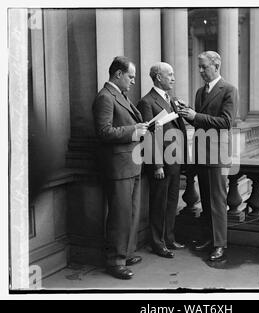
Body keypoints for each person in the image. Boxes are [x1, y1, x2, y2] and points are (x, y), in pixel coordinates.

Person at [92, 56, 148, 280]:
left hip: (129, 164)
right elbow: (103, 132)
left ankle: (125, 253)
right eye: (131, 76)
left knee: (130, 213)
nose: (133, 81)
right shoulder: (105, 97)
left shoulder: (119, 95)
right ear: (118, 74)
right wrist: (134, 130)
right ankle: (115, 261)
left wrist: (139, 128)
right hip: (118, 167)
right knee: (120, 215)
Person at [178, 51, 238, 261]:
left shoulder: (229, 90)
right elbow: (200, 122)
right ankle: (208, 238)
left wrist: (196, 115)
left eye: (204, 67)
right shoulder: (199, 92)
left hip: (218, 154)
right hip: (202, 153)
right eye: (200, 67)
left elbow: (226, 122)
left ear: (216, 65)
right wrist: (187, 114)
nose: (201, 71)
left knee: (217, 201)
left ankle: (219, 244)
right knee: (205, 199)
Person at [137, 62, 187, 259]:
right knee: (159, 203)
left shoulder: (171, 100)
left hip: (175, 160)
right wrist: (157, 164)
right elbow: (149, 136)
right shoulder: (147, 102)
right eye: (170, 74)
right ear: (158, 77)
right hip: (161, 164)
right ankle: (158, 243)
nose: (174, 78)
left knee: (172, 202)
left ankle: (169, 238)